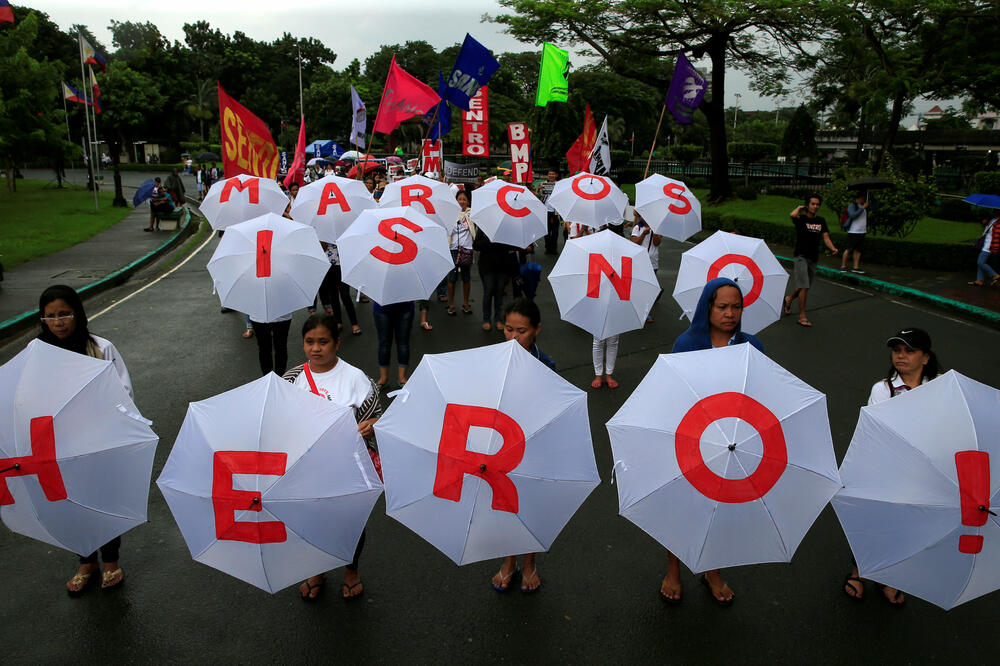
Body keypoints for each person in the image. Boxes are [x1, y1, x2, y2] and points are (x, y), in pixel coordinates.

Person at [663, 277, 763, 606]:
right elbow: (672, 397)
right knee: (682, 510)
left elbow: (761, 397)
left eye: (736, 307)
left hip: (732, 444)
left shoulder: (752, 347)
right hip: (691, 441)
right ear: (708, 308)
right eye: (722, 306)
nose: (730, 313)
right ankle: (674, 568)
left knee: (722, 510)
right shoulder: (685, 345)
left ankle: (713, 570)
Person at [37, 285, 131, 594]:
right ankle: (85, 561)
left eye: (64, 314)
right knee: (72, 505)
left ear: (78, 313)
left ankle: (111, 561)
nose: (58, 322)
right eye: (50, 317)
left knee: (101, 501)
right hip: (58, 446)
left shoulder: (100, 348)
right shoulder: (38, 354)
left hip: (98, 442)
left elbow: (123, 393)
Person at [283, 314, 382, 600]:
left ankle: (351, 570)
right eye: (310, 342)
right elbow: (280, 421)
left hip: (348, 465)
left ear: (337, 343)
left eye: (323, 342)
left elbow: (375, 417)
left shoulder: (355, 378)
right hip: (307, 468)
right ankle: (318, 568)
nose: (316, 348)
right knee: (311, 520)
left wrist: (372, 424)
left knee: (350, 521)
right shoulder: (292, 378)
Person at [842, 327, 941, 606]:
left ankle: (889, 577)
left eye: (909, 350)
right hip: (885, 468)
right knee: (875, 522)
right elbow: (877, 432)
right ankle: (859, 570)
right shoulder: (882, 389)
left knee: (907, 526)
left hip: (923, 472)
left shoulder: (940, 387)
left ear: (925, 358)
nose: (901, 356)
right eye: (897, 350)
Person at [492, 298, 554, 594]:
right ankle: (508, 560)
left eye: (522, 331)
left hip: (534, 447)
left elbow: (555, 411)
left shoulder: (545, 364)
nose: (514, 338)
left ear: (537, 330)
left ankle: (529, 563)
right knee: (503, 505)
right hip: (498, 447)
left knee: (530, 506)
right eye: (508, 329)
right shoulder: (490, 360)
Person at [783, 194, 838, 327]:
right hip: (800, 256)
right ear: (808, 205)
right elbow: (792, 215)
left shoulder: (821, 221)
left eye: (817, 204)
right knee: (804, 286)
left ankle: (789, 299)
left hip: (813, 257)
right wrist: (799, 207)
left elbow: (826, 237)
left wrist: (833, 248)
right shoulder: (800, 219)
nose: (815, 206)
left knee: (803, 286)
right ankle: (802, 316)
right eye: (813, 204)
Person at [473, 225, 518, 331]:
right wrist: (489, 240)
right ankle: (486, 319)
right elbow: (476, 245)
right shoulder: (484, 227)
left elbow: (511, 246)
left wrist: (501, 241)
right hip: (486, 267)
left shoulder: (507, 228)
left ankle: (498, 319)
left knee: (499, 294)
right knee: (488, 292)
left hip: (502, 267)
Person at [372, 300, 414, 389]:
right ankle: (383, 378)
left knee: (403, 343)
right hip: (382, 309)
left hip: (405, 308)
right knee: (384, 344)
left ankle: (401, 377)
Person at [447, 191, 475, 315]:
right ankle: (451, 304)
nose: (462, 201)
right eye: (459, 199)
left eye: (464, 199)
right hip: (453, 249)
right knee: (451, 279)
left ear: (468, 201)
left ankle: (465, 303)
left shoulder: (472, 214)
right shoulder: (450, 214)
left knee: (466, 278)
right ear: (456, 201)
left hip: (467, 249)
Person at [630, 211, 661, 322]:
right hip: (640, 263)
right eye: (643, 215)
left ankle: (646, 311)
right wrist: (643, 234)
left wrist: (654, 233)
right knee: (637, 287)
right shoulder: (637, 228)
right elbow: (634, 243)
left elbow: (657, 243)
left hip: (653, 263)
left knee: (649, 289)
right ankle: (635, 308)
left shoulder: (656, 228)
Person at [250, 311, 292, 377]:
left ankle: (269, 377)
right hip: (281, 315)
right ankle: (278, 377)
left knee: (266, 349)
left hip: (259, 316)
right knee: (279, 347)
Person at [840, 191, 872, 274]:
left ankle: (856, 267)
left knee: (858, 250)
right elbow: (852, 215)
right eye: (864, 197)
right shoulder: (853, 205)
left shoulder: (864, 205)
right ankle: (843, 266)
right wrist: (862, 208)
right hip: (854, 231)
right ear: (860, 198)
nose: (865, 199)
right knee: (849, 249)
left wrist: (871, 197)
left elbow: (875, 206)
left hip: (862, 231)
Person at [969, 212, 999, 286]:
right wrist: (985, 223)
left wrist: (995, 247)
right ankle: (980, 280)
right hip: (985, 244)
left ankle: (994, 275)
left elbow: (997, 235)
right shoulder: (993, 220)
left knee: (980, 262)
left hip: (989, 246)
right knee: (981, 262)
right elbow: (987, 232)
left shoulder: (998, 222)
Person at [537, 167, 561, 254]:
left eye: (553, 174)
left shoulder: (559, 185)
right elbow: (539, 197)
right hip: (545, 210)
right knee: (546, 230)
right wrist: (539, 189)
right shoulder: (543, 184)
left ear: (556, 175)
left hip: (555, 210)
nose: (551, 175)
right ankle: (547, 247)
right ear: (548, 175)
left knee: (555, 231)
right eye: (550, 174)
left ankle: (554, 248)